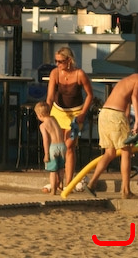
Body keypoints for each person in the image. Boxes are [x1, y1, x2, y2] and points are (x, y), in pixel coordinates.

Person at [46, 45, 93, 189]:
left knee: (69, 146)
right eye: (56, 61)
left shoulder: (79, 74)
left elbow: (90, 95)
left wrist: (83, 113)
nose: (57, 64)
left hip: (75, 113)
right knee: (57, 146)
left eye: (60, 61)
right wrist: (47, 114)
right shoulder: (55, 73)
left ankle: (69, 183)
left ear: (69, 60)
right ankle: (56, 180)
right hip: (58, 111)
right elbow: (50, 97)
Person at [87, 72, 138, 199]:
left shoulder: (126, 80)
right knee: (126, 152)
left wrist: (128, 124)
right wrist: (137, 120)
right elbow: (134, 97)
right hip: (116, 114)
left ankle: (92, 183)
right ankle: (126, 190)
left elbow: (127, 106)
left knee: (109, 153)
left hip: (105, 114)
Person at [34, 101, 66, 195]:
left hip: (53, 147)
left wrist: (46, 154)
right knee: (61, 168)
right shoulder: (54, 119)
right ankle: (60, 184)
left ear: (39, 115)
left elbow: (46, 140)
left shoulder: (43, 125)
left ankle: (53, 190)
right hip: (62, 146)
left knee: (53, 171)